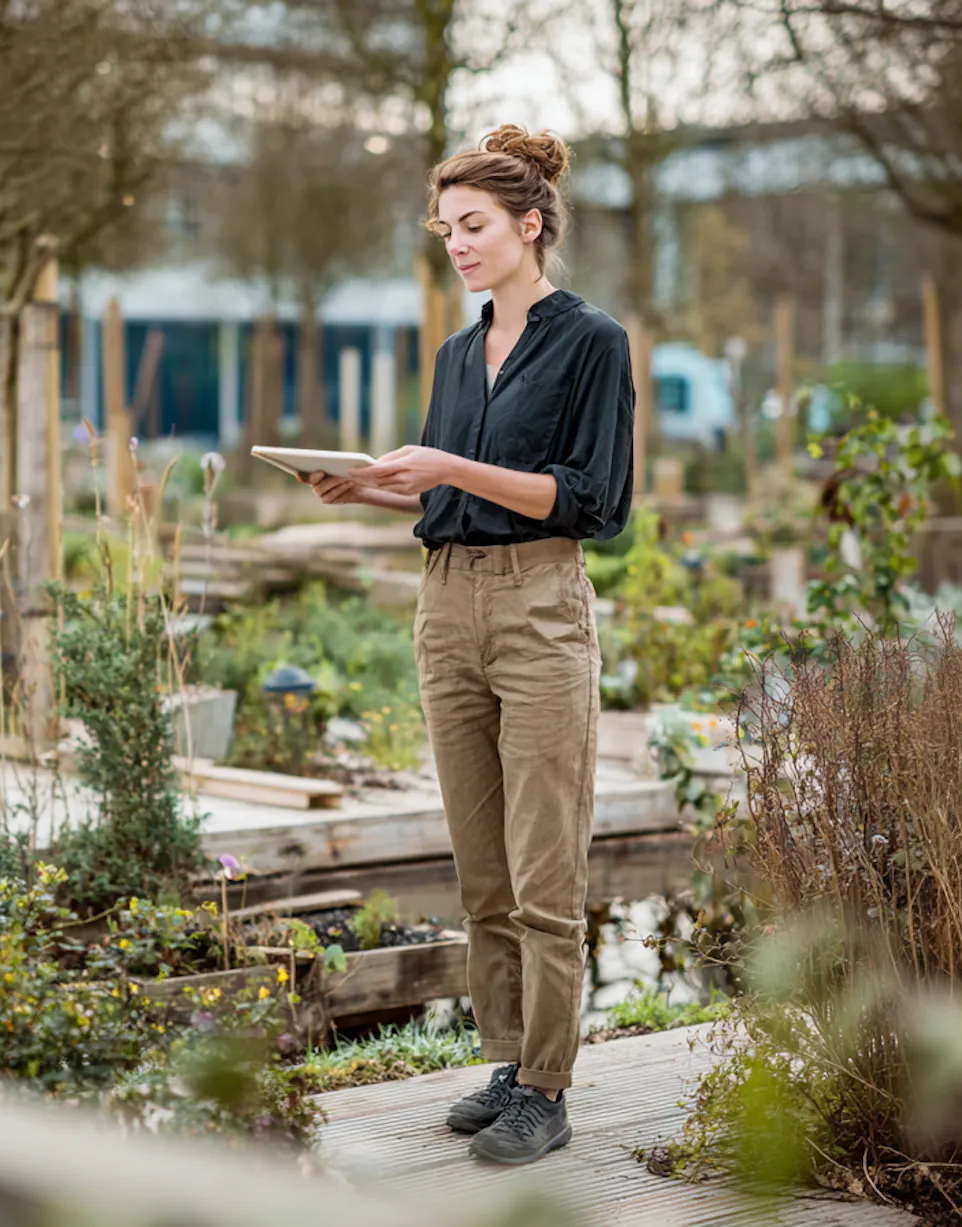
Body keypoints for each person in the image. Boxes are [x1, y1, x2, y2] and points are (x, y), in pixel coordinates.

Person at [306, 125, 634, 1165]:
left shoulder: (592, 343)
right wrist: (360, 483)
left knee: (544, 866)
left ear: (529, 225)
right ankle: (508, 1063)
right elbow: (440, 483)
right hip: (446, 604)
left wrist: (447, 459)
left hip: (539, 607)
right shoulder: (457, 352)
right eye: (445, 227)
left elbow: (592, 500)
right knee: (482, 865)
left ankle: (549, 1084)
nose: (455, 242)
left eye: (473, 224)